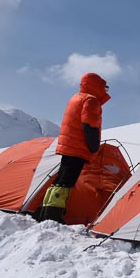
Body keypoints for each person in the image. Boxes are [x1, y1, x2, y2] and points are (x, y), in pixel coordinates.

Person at [38, 72, 111, 222]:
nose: (105, 91)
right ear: (96, 86)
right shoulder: (91, 100)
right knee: (66, 181)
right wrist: (93, 146)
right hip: (78, 147)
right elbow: (89, 125)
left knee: (60, 179)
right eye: (104, 87)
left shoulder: (76, 97)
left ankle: (46, 210)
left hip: (69, 146)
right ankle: (53, 215)